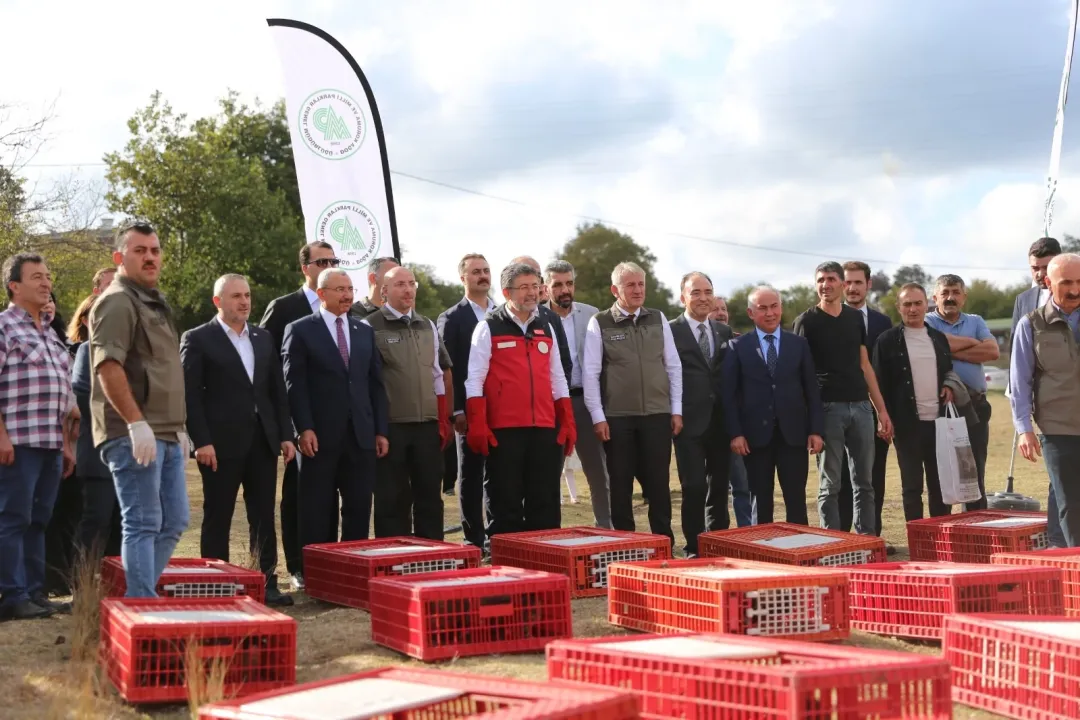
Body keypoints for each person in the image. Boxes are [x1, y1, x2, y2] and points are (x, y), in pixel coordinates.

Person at [181, 274, 296, 606]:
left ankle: (267, 583)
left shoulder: (262, 337)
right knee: (218, 515)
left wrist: (285, 435)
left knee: (263, 515)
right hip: (219, 445)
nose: (244, 302)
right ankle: (215, 584)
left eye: (246, 295)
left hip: (262, 441)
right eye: (236, 296)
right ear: (218, 301)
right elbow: (190, 396)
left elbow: (276, 391)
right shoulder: (198, 338)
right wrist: (201, 441)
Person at [89, 221, 189, 599]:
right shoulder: (117, 300)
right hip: (134, 433)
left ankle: (137, 593)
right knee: (143, 521)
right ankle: (141, 602)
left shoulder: (152, 300)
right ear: (119, 257)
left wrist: (179, 427)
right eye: (140, 251)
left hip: (166, 430)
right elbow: (108, 366)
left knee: (174, 521)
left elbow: (162, 370)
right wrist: (135, 423)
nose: (150, 258)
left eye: (155, 251)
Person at [283, 268, 389, 566]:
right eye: (340, 290)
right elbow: (294, 385)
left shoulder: (364, 330)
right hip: (319, 438)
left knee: (358, 508)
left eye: (350, 289)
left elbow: (375, 384)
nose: (347, 295)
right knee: (317, 510)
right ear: (321, 293)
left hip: (361, 436)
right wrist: (303, 427)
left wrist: (380, 430)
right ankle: (318, 573)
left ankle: (353, 570)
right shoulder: (300, 330)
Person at [465, 263, 574, 536]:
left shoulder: (546, 326)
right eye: (524, 287)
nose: (532, 293)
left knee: (545, 501)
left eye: (535, 286)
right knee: (505, 501)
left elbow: (558, 377)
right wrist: (477, 424)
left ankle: (545, 555)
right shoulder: (488, 327)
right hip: (504, 430)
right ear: (506, 292)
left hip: (544, 428)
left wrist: (567, 420)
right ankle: (504, 556)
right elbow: (474, 379)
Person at [0, 254, 77, 620]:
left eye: (47, 276)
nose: (46, 283)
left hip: (50, 444)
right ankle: (12, 596)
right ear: (14, 286)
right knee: (13, 518)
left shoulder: (50, 332)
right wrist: (1, 437)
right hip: (17, 442)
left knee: (40, 520)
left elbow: (61, 394)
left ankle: (34, 593)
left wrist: (66, 444)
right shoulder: (4, 327)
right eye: (36, 277)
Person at [583, 262, 682, 545]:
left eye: (641, 284)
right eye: (630, 285)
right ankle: (625, 544)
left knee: (659, 484)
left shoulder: (658, 318)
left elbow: (673, 366)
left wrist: (676, 410)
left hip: (658, 414)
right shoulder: (600, 322)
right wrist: (598, 416)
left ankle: (663, 543)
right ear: (615, 290)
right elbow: (590, 373)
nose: (638, 290)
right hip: (617, 418)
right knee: (620, 484)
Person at [259, 240, 338, 590]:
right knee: (298, 494)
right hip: (295, 419)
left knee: (329, 495)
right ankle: (298, 566)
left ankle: (330, 562)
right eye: (322, 262)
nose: (328, 266)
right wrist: (283, 423)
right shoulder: (284, 308)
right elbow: (265, 362)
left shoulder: (343, 308)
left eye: (333, 261)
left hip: (333, 419)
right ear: (305, 268)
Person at [793, 261, 892, 535]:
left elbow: (865, 365)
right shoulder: (806, 321)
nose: (825, 285)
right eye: (820, 280)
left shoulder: (854, 318)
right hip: (828, 410)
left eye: (831, 279)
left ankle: (866, 540)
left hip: (861, 408)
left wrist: (881, 410)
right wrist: (811, 423)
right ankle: (831, 542)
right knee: (830, 484)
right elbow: (800, 375)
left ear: (842, 283)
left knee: (865, 483)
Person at [362, 266, 452, 540]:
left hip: (427, 426)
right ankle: (393, 555)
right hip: (391, 427)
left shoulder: (428, 325)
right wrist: (376, 428)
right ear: (384, 290)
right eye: (400, 284)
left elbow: (438, 375)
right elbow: (366, 381)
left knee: (430, 496)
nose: (408, 289)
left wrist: (443, 419)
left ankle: (433, 553)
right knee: (392, 498)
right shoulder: (369, 326)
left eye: (412, 283)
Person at [723, 286, 823, 525]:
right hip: (755, 439)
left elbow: (812, 390)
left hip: (793, 435)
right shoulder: (738, 346)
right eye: (762, 308)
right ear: (751, 313)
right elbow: (729, 394)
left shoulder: (798, 344)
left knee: (796, 499)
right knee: (760, 501)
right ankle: (762, 544)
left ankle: (800, 544)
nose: (769, 313)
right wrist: (736, 433)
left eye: (774, 306)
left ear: (781, 308)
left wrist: (816, 430)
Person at [1010, 253, 1080, 548]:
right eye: (1067, 283)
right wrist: (1024, 429)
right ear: (1049, 283)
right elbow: (1020, 382)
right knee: (1070, 503)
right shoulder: (1031, 325)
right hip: (1057, 428)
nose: (1075, 289)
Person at [873, 283, 954, 520]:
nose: (913, 309)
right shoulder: (886, 341)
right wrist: (882, 416)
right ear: (898, 307)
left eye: (918, 303)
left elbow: (948, 370)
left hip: (939, 424)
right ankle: (917, 536)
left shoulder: (939, 339)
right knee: (912, 487)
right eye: (907, 304)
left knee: (940, 487)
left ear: (927, 305)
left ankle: (940, 536)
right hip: (906, 425)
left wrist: (949, 385)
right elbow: (877, 382)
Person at [670, 273, 732, 556]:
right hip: (686, 421)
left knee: (719, 488)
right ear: (683, 297)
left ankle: (718, 543)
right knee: (693, 486)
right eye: (696, 292)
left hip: (720, 422)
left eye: (708, 291)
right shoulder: (670, 331)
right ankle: (694, 546)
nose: (703, 298)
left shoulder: (723, 331)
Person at [544, 260, 610, 528]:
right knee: (549, 473)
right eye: (558, 284)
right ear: (546, 287)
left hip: (586, 402)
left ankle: (605, 527)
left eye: (569, 283)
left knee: (598, 472)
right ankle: (550, 531)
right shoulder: (537, 316)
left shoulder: (592, 315)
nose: (564, 290)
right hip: (551, 405)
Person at [438, 254, 495, 551]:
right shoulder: (451, 318)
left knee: (499, 477)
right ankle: (474, 539)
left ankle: (498, 536)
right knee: (471, 475)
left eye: (486, 270)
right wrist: (457, 409)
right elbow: (449, 369)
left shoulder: (502, 313)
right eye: (475, 272)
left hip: (502, 409)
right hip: (468, 412)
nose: (482, 276)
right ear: (463, 278)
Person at [926, 274, 997, 511]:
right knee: (941, 472)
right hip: (940, 407)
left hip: (976, 406)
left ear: (964, 297)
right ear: (935, 297)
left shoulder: (976, 321)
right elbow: (931, 347)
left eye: (955, 292)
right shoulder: (926, 321)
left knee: (974, 471)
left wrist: (947, 350)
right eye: (945, 293)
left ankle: (975, 526)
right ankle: (942, 527)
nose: (950, 297)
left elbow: (992, 351)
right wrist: (973, 343)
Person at [839, 261, 893, 537]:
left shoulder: (883, 323)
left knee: (874, 478)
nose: (852, 288)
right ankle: (842, 539)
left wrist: (885, 413)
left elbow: (887, 371)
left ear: (868, 285)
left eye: (858, 282)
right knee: (840, 480)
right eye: (847, 282)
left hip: (875, 414)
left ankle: (872, 539)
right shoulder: (827, 319)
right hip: (838, 411)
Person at [70, 295, 121, 570]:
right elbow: (84, 396)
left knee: (124, 525)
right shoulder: (86, 351)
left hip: (133, 456)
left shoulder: (133, 352)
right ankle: (84, 583)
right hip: (99, 453)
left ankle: (117, 585)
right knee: (97, 521)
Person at [709, 296, 752, 527]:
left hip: (736, 425)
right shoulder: (698, 344)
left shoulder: (741, 342)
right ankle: (714, 534)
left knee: (742, 485)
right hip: (707, 423)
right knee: (713, 487)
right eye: (714, 309)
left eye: (723, 309)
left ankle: (747, 531)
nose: (720, 313)